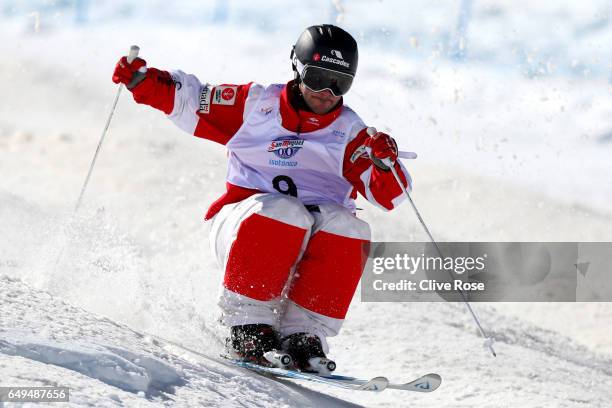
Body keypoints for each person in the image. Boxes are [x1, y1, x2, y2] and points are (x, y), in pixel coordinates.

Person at [112, 24, 411, 374]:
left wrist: (384, 163)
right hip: (246, 226)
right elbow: (191, 98)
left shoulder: (350, 133)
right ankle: (248, 325)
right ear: (298, 69)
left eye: (340, 83)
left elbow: (391, 196)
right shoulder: (256, 106)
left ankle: (304, 334)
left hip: (309, 242)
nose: (328, 92)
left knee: (351, 228)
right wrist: (144, 81)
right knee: (287, 211)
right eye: (317, 78)